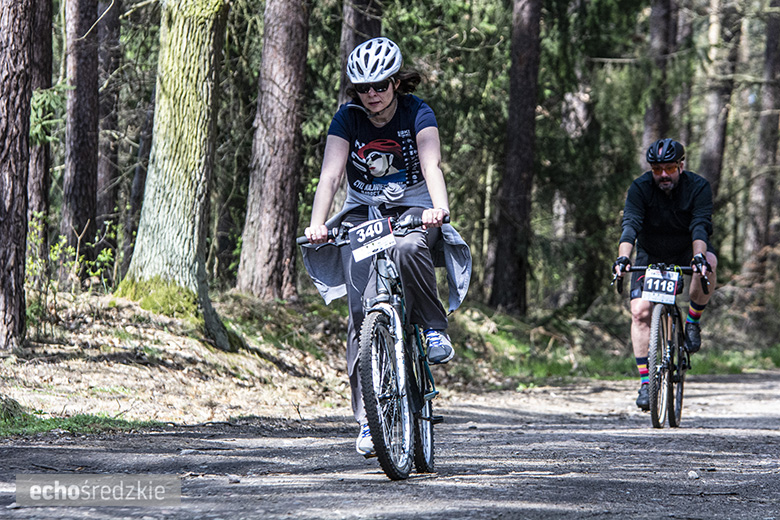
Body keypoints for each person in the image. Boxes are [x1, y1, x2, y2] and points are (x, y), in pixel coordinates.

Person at [300, 37, 471, 456]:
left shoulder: (417, 111)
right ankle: (367, 419)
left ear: (395, 82)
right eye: (363, 88)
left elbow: (431, 164)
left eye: (380, 85)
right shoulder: (347, 118)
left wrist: (439, 208)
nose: (372, 95)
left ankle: (432, 328)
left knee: (410, 249)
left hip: (414, 207)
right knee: (360, 314)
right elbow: (330, 176)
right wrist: (318, 223)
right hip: (363, 213)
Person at [613, 138, 717, 411]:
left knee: (709, 262)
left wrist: (698, 257)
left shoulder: (698, 187)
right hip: (651, 253)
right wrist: (623, 257)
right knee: (640, 312)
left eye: (669, 168)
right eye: (657, 169)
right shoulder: (640, 188)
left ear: (681, 165)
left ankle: (692, 321)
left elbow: (700, 225)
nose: (663, 175)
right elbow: (630, 225)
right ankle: (646, 383)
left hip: (688, 248)